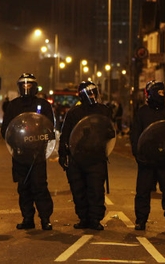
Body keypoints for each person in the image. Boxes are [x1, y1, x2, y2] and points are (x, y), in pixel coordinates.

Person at [0, 73, 55, 231]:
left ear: (34, 87)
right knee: (23, 188)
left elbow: (49, 127)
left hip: (37, 154)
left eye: (29, 85)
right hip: (19, 154)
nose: (26, 88)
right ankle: (27, 218)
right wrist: (15, 142)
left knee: (39, 186)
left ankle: (45, 219)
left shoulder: (43, 105)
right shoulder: (13, 106)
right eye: (23, 85)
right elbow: (6, 130)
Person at [58, 81, 114, 231]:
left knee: (96, 189)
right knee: (79, 189)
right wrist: (63, 154)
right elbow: (66, 135)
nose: (92, 95)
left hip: (96, 156)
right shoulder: (74, 113)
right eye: (88, 93)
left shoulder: (104, 110)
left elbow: (110, 130)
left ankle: (95, 219)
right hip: (77, 156)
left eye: (93, 92)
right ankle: (83, 218)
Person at [130, 80, 165, 232]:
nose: (161, 95)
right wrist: (138, 154)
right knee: (143, 191)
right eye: (158, 92)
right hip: (147, 160)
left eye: (162, 92)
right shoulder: (142, 113)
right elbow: (135, 135)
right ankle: (141, 220)